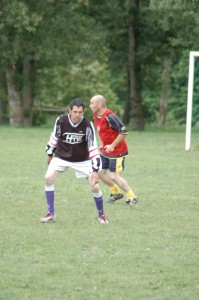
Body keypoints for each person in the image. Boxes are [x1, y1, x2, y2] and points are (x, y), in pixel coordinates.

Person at [40, 98, 108, 224]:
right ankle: (50, 213)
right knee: (48, 178)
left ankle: (101, 215)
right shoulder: (61, 120)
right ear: (70, 110)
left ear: (83, 111)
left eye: (80, 112)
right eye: (75, 112)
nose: (77, 115)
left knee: (95, 186)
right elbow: (54, 138)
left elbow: (93, 148)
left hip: (82, 160)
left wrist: (94, 171)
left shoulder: (87, 124)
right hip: (61, 157)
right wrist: (49, 154)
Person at [90, 95, 138, 205]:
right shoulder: (96, 116)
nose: (90, 106)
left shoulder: (110, 117)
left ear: (100, 105)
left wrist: (112, 145)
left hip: (118, 151)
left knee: (114, 175)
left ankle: (132, 196)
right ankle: (116, 193)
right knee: (100, 172)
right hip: (107, 150)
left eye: (92, 103)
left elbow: (123, 132)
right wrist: (104, 144)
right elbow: (108, 132)